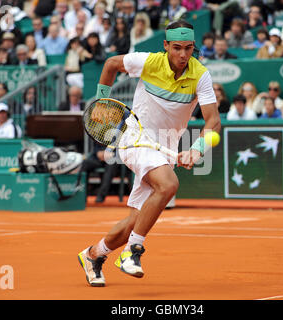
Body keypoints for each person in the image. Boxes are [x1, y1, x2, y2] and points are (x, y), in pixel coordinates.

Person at [77, 20, 220, 287]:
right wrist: (101, 104)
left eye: (188, 48)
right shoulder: (148, 62)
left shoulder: (201, 75)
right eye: (176, 48)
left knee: (136, 219)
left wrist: (196, 149)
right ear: (165, 45)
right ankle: (134, 251)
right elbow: (110, 64)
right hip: (135, 137)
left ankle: (94, 255)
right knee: (169, 185)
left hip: (165, 146)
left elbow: (213, 122)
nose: (182, 55)